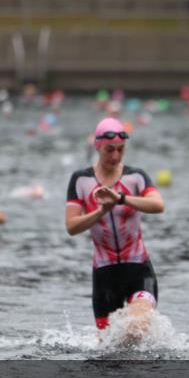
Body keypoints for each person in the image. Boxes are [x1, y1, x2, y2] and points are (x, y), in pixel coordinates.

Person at [65, 118, 165, 330]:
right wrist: (102, 211)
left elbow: (158, 205)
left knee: (137, 327)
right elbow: (72, 226)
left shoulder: (135, 177)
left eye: (121, 150)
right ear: (98, 146)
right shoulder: (80, 180)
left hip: (139, 269)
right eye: (109, 150)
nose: (115, 156)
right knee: (110, 352)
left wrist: (121, 199)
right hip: (104, 276)